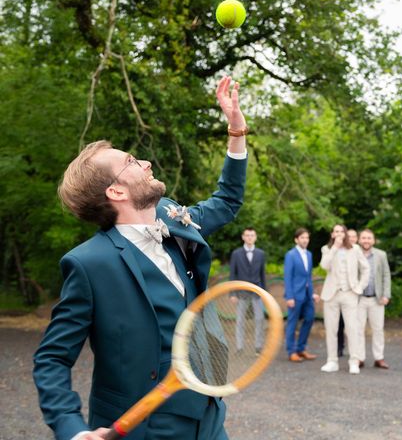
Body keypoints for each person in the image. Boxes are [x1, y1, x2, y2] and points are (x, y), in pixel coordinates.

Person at [32, 76, 247, 440]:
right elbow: (52, 358)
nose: (145, 162)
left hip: (209, 416)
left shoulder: (171, 216)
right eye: (132, 161)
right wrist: (71, 428)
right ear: (115, 190)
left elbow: (226, 201)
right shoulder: (88, 264)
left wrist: (237, 131)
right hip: (146, 428)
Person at [320, 224, 370, 374]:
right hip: (331, 294)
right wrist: (335, 247)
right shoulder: (326, 249)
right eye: (336, 232)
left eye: (342, 231)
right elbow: (324, 266)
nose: (339, 234)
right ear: (332, 234)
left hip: (349, 293)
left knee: (352, 328)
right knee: (331, 329)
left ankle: (354, 361)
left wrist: (360, 287)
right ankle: (332, 361)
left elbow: (366, 268)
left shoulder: (355, 249)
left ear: (346, 233)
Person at [355, 229, 392, 369]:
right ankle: (359, 358)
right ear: (359, 240)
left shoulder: (381, 255)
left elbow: (386, 276)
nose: (366, 241)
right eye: (363, 238)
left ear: (374, 240)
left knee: (378, 329)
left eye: (369, 238)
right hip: (359, 299)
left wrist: (386, 295)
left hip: (377, 299)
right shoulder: (354, 254)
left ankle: (379, 358)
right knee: (358, 329)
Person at [229, 227, 267, 354]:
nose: (250, 237)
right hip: (241, 292)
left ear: (255, 237)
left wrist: (265, 293)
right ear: (243, 237)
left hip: (257, 292)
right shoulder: (236, 254)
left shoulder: (261, 254)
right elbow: (233, 274)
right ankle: (239, 348)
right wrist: (233, 293)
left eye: (252, 235)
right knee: (240, 320)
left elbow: (263, 275)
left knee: (259, 319)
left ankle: (258, 347)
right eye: (247, 235)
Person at [284, 228, 319, 362]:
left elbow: (308, 276)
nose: (305, 240)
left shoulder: (309, 254)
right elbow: (287, 277)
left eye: (307, 238)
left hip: (307, 295)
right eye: (302, 238)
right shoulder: (291, 255)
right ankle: (292, 351)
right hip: (295, 295)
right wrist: (289, 296)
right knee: (292, 323)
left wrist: (313, 293)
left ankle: (301, 348)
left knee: (309, 318)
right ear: (296, 240)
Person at [337, 228, 360, 357]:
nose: (351, 238)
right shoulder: (341, 251)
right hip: (343, 293)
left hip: (355, 293)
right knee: (340, 323)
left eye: (353, 236)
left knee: (354, 325)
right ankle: (340, 347)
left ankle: (355, 353)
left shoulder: (357, 251)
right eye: (349, 236)